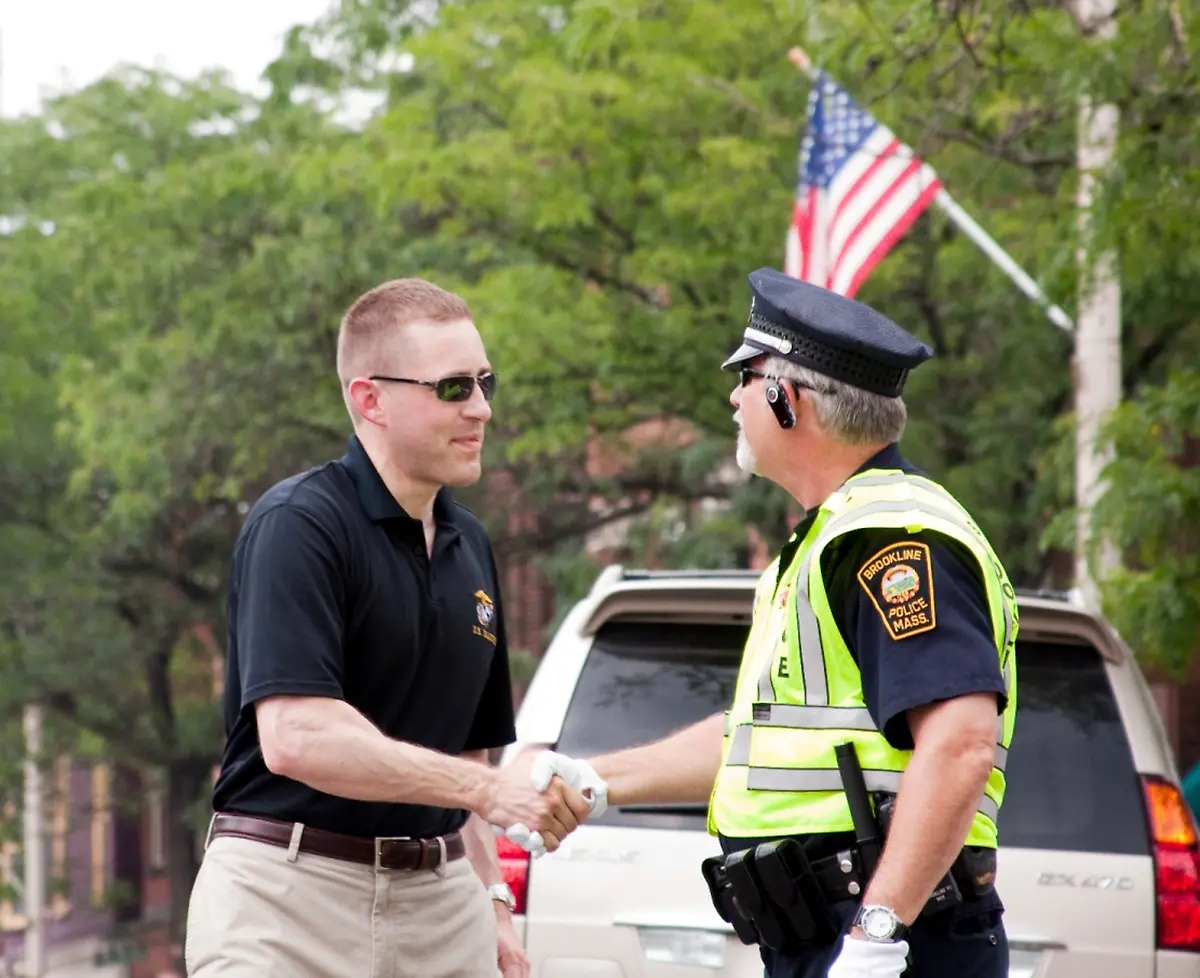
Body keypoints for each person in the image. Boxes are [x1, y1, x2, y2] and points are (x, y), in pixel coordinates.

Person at [533, 268, 1018, 978]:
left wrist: (878, 933)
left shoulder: (890, 539)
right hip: (841, 934)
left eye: (745, 375)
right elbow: (759, 740)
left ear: (785, 398)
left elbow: (962, 743)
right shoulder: (836, 534)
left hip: (892, 936)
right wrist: (597, 779)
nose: (732, 397)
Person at [185, 278, 592, 978]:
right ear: (369, 400)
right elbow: (298, 738)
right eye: (453, 389)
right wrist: (490, 794)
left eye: (485, 383)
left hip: (443, 906)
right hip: (287, 899)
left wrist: (493, 903)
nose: (482, 409)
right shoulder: (299, 527)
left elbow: (465, 760)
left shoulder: (471, 546)